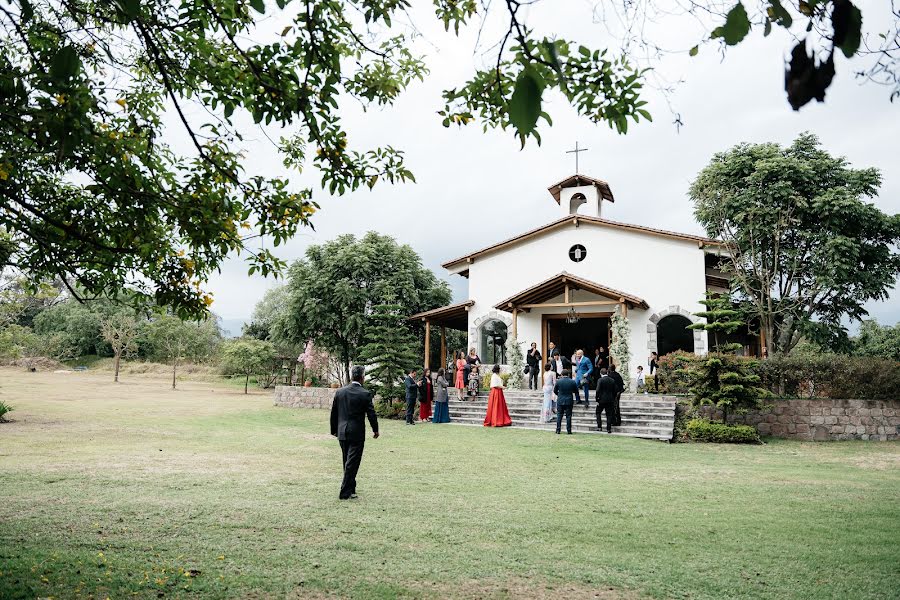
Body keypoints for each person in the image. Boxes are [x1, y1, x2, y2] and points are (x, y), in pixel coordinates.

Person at [330, 365, 379, 500]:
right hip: (356, 433)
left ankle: (351, 488)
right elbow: (371, 414)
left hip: (342, 432)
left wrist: (334, 430)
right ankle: (345, 491)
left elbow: (334, 412)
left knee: (347, 461)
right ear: (362, 377)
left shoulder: (340, 392)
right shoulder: (364, 393)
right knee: (352, 463)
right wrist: (375, 430)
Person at [552, 369, 580, 434]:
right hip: (569, 400)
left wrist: (559, 394)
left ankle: (558, 430)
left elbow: (555, 390)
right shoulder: (572, 382)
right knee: (569, 416)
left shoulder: (558, 381)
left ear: (561, 375)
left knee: (559, 415)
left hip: (560, 400)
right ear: (568, 374)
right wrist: (577, 399)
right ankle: (569, 430)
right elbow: (576, 391)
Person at [595, 368, 618, 433]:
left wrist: (597, 399)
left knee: (598, 412)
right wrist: (613, 398)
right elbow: (615, 390)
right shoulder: (612, 380)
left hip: (601, 400)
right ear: (607, 373)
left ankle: (599, 427)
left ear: (600, 373)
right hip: (610, 400)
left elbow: (598, 390)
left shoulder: (600, 380)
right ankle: (608, 429)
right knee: (609, 414)